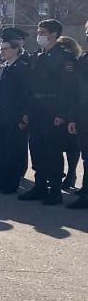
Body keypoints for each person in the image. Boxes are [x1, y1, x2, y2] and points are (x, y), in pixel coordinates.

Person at [18, 19, 77, 205]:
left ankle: (55, 191)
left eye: (42, 31)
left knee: (53, 150)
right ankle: (40, 185)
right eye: (39, 31)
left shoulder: (65, 57)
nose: (39, 35)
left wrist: (62, 114)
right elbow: (30, 87)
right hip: (36, 107)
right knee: (36, 148)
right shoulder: (37, 56)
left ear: (53, 35)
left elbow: (67, 89)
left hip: (53, 107)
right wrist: (27, 111)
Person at [0, 29, 31, 194]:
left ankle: (11, 184)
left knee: (13, 151)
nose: (1, 51)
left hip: (14, 118)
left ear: (15, 49)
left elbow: (26, 95)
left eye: (5, 48)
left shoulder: (22, 68)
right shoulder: (0, 67)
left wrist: (23, 117)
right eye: (0, 48)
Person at [67, 20, 88, 208]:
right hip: (83, 112)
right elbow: (76, 90)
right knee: (86, 154)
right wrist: (73, 117)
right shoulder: (84, 58)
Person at [59, 35, 84, 191]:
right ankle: (59, 173)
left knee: (72, 146)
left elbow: (74, 87)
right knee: (58, 144)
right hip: (57, 107)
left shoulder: (73, 62)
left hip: (71, 107)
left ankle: (71, 173)